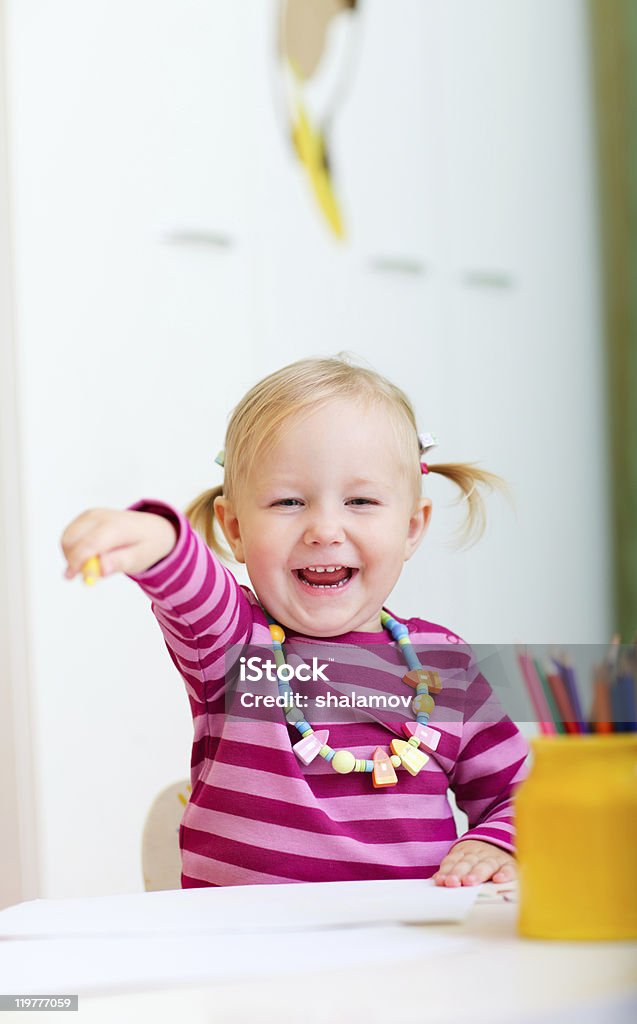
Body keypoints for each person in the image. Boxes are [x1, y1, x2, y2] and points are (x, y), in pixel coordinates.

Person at [60, 354, 528, 889]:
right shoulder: (233, 644)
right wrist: (161, 543)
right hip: (248, 955)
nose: (325, 529)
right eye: (288, 501)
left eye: (361, 500)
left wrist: (495, 843)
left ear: (412, 527)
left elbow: (520, 795)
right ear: (234, 529)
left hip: (409, 947)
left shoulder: (446, 666)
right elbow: (192, 588)